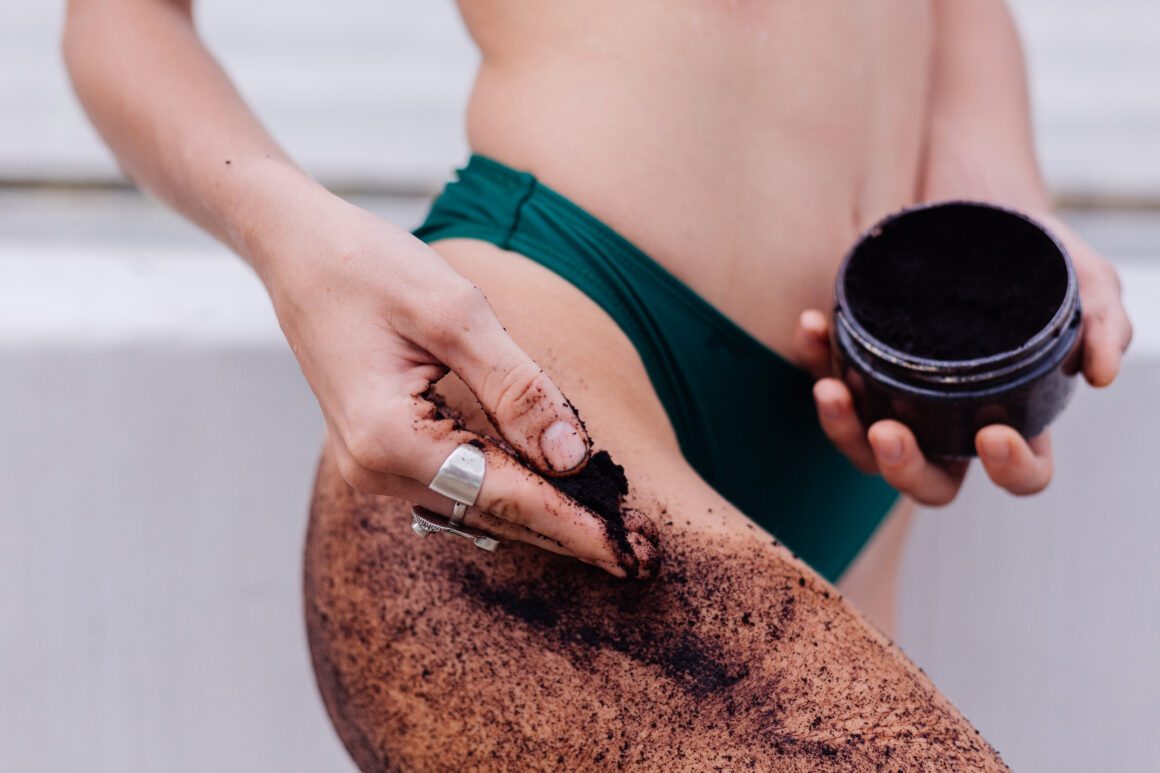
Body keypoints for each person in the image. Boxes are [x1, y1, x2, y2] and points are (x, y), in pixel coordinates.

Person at [63, 0, 1132, 768]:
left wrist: (989, 186)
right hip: (543, 380)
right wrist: (292, 240)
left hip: (857, 421)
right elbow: (117, 17)